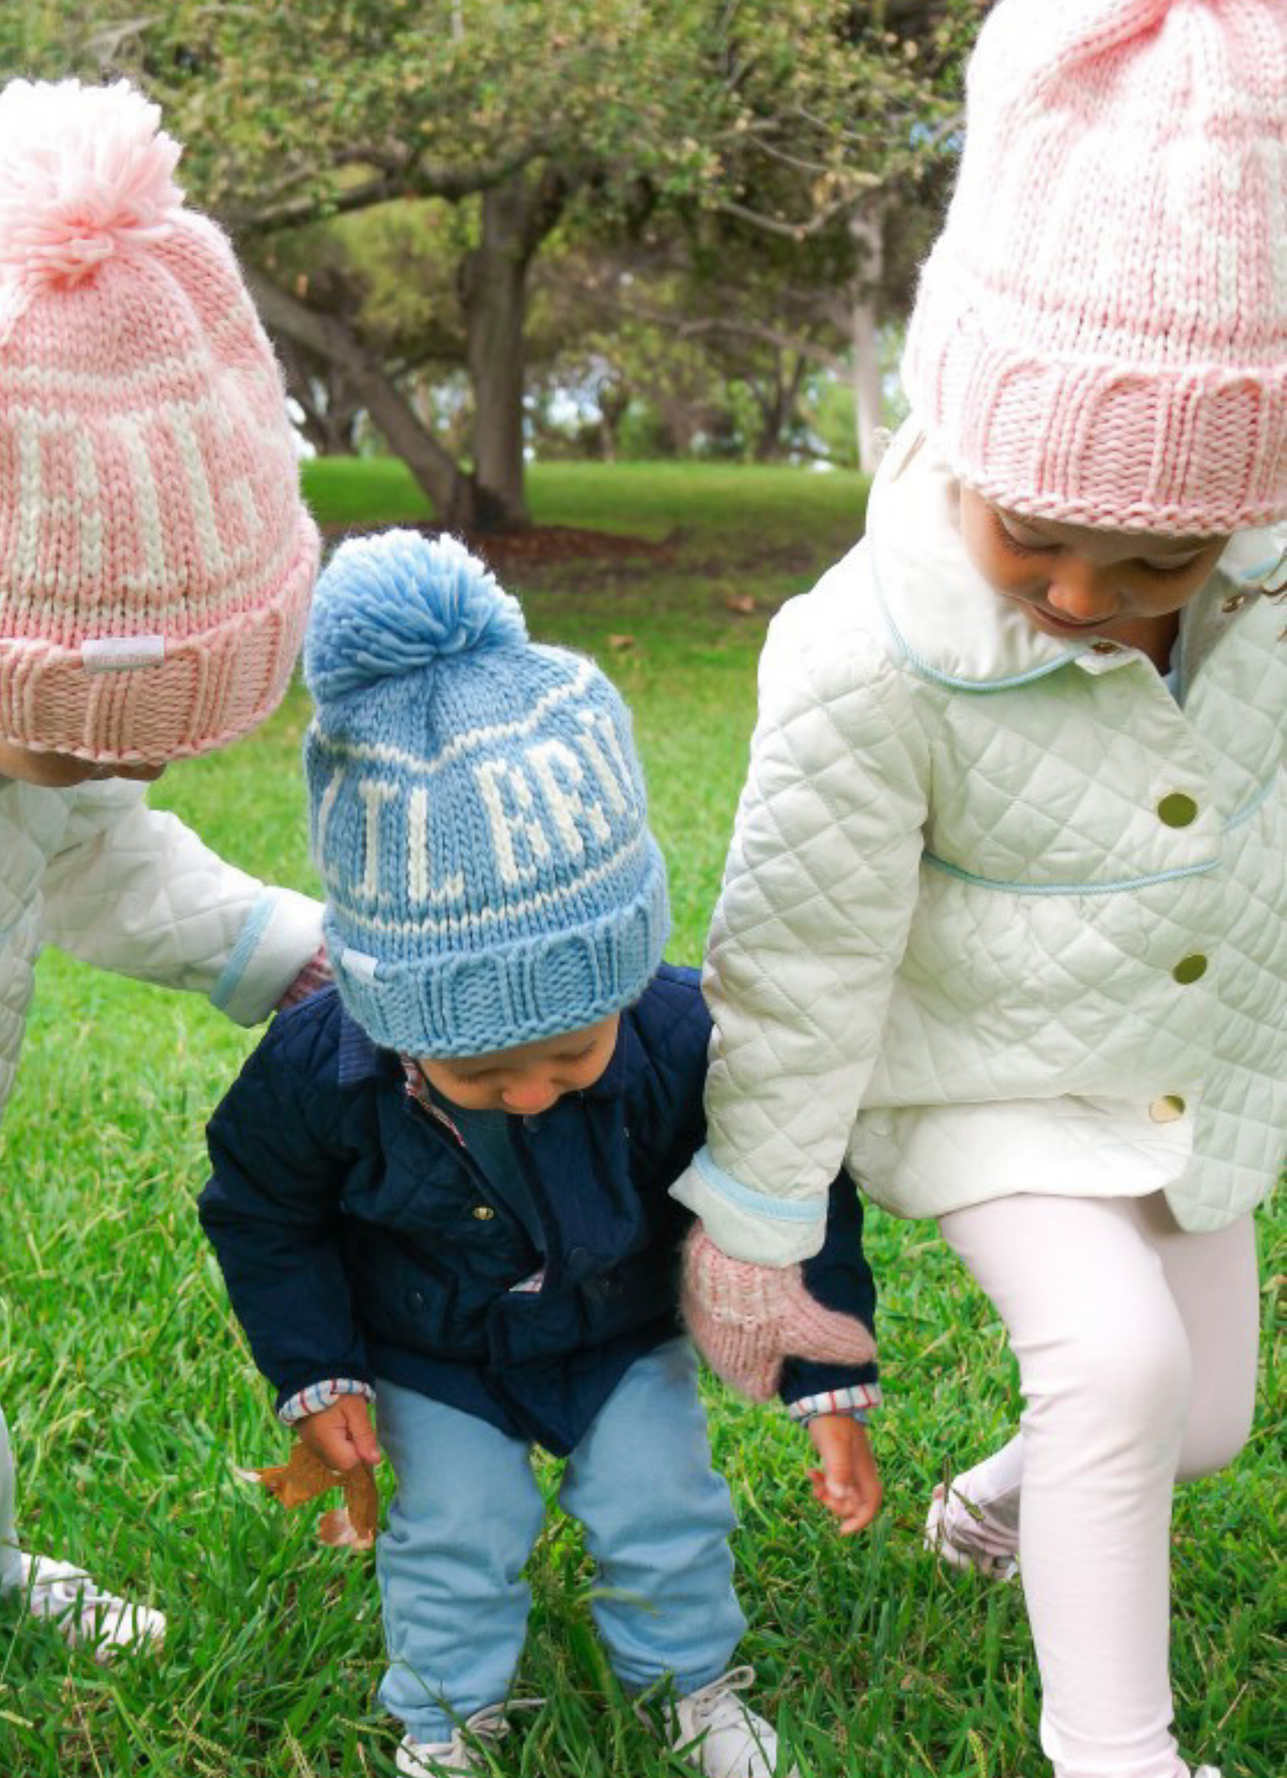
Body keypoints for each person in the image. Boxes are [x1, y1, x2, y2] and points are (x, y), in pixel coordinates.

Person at [672, 4, 1285, 1777]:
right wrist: (761, 1223)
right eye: (1037, 537)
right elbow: (798, 949)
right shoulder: (868, 654)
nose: (1087, 592)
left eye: (1156, 556)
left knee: (1206, 1417)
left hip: (1183, 1059)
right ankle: (1118, 1748)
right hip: (982, 1071)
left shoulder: (1266, 585)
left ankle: (997, 1506)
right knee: (1114, 1358)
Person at [200, 530, 879, 1778]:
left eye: (568, 1053)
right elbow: (262, 1210)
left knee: (660, 1503)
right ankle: (445, 1719)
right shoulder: (315, 1070)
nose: (528, 1090)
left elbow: (784, 1173)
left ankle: (691, 1684)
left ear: (623, 974)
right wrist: (318, 1369)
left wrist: (819, 1377)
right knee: (459, 1522)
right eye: (477, 1071)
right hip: (427, 1347)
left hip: (618, 1328)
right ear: (388, 1007)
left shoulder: (680, 1036)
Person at [0, 77, 329, 1778]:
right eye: (94, 735)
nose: (123, 768)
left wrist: (290, 950)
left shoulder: (31, 729)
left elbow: (109, 857)